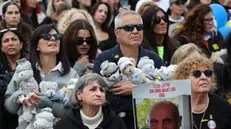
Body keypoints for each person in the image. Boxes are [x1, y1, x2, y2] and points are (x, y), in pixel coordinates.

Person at [93, 10, 164, 129]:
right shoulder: (104, 59)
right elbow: (97, 94)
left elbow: (166, 91)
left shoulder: (154, 58)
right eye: (129, 28)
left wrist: (138, 89)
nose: (135, 31)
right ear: (117, 32)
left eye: (139, 27)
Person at [4, 24, 79, 123]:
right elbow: (9, 106)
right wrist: (19, 96)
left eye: (57, 37)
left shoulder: (72, 74)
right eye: (47, 36)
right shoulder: (24, 70)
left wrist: (50, 105)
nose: (53, 39)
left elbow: (76, 111)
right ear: (37, 46)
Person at [172, 56, 231, 129]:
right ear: (183, 78)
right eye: (196, 74)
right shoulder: (174, 108)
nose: (204, 77)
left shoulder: (224, 108)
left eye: (207, 73)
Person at [54, 73, 127, 129]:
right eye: (93, 89)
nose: (99, 94)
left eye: (102, 90)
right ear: (79, 95)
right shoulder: (63, 125)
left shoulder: (116, 122)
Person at [0, 28, 26, 129]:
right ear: (1, 47)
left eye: (14, 39)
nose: (10, 43)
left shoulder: (31, 66)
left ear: (21, 44)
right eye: (6, 41)